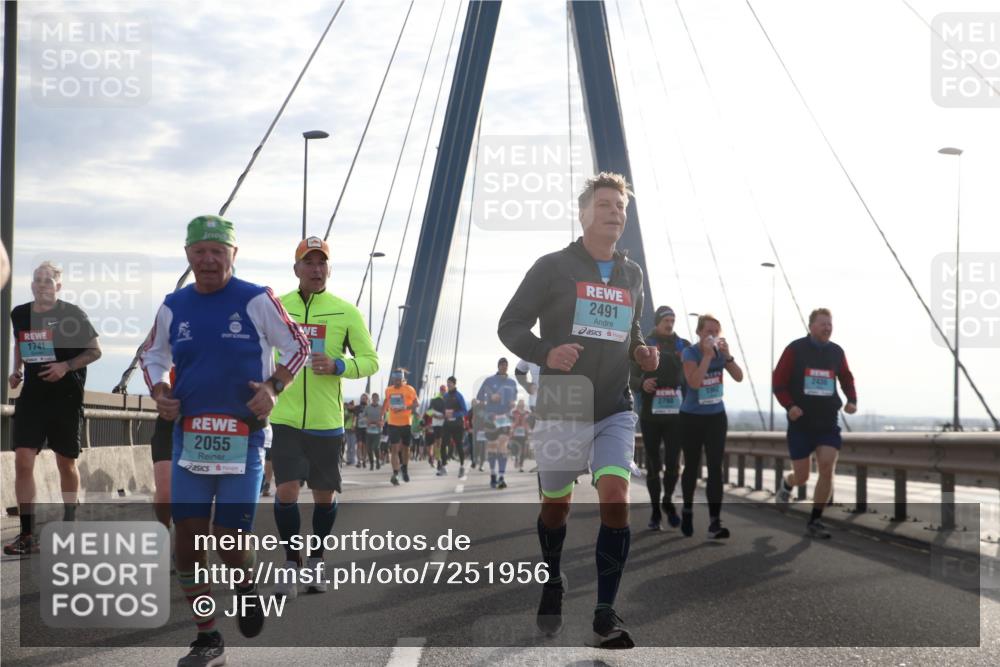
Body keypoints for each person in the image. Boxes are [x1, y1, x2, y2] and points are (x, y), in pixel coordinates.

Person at [140, 215, 309, 666]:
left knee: (229, 541)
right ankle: (207, 634)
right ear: (188, 256)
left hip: (244, 439)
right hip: (190, 438)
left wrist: (272, 387)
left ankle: (245, 586)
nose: (209, 259)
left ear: (234, 254)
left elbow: (298, 347)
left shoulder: (257, 299)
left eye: (218, 251)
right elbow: (151, 355)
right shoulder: (174, 305)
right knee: (188, 542)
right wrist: (160, 392)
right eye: (200, 251)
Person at [498, 172, 659, 649]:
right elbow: (510, 325)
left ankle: (605, 612)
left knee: (615, 498)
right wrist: (547, 352)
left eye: (621, 207)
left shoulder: (632, 275)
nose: (616, 212)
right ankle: (552, 578)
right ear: (585, 213)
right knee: (556, 506)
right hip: (563, 403)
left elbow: (631, 336)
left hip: (613, 405)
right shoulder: (552, 267)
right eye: (606, 204)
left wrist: (642, 353)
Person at [268, 236, 378, 599]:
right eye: (308, 263)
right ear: (296, 268)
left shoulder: (346, 311)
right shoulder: (277, 307)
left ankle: (316, 560)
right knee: (284, 492)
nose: (316, 269)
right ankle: (291, 562)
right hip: (284, 418)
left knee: (323, 497)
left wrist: (340, 364)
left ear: (329, 269)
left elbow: (371, 361)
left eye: (322, 263)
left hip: (326, 421)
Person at [5, 261, 102, 556]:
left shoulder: (71, 315)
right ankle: (27, 534)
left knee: (65, 464)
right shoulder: (20, 313)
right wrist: (16, 370)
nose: (42, 285)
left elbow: (95, 351)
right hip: (33, 398)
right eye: (37, 280)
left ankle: (70, 526)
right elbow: (20, 344)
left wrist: (65, 366)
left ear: (58, 286)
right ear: (32, 284)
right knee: (23, 461)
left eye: (48, 281)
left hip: (66, 399)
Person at [773, 308, 857, 539]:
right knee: (802, 476)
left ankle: (816, 519)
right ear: (811, 326)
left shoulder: (836, 352)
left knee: (827, 467)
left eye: (830, 324)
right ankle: (788, 483)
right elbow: (778, 382)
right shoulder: (795, 349)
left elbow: (847, 377)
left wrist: (852, 400)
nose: (827, 328)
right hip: (801, 422)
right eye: (823, 324)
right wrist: (790, 406)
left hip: (828, 421)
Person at [679, 314, 743, 540]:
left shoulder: (720, 353)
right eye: (708, 331)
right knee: (692, 466)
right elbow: (694, 383)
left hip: (716, 416)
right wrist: (707, 356)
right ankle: (687, 509)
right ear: (698, 333)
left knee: (715, 467)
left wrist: (727, 357)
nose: (712, 335)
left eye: (716, 331)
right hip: (691, 417)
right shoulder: (690, 352)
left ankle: (715, 522)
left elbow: (739, 377)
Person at [638, 305, 690, 531]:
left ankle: (667, 498)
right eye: (666, 320)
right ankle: (655, 513)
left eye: (673, 319)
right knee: (653, 465)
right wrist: (642, 383)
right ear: (657, 322)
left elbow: (693, 375)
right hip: (651, 413)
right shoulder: (643, 343)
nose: (670, 324)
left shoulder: (684, 346)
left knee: (672, 463)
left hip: (676, 415)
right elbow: (630, 370)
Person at [477, 358, 519, 489]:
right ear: (498, 366)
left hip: (505, 418)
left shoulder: (512, 383)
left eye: (506, 366)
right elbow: (479, 397)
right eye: (502, 365)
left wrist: (513, 403)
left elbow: (515, 398)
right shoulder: (489, 381)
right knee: (492, 447)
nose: (504, 368)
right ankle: (493, 475)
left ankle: (501, 477)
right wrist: (490, 397)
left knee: (503, 446)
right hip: (491, 418)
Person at [382, 370, 419, 485]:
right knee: (394, 449)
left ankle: (405, 468)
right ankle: (395, 473)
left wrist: (404, 407)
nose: (397, 382)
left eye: (399, 379)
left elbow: (416, 404)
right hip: (393, 423)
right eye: (395, 380)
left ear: (402, 379)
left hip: (406, 423)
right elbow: (386, 403)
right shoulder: (389, 390)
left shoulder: (409, 389)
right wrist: (381, 417)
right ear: (393, 379)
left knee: (406, 449)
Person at [437, 376, 469, 477]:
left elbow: (465, 411)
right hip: (447, 424)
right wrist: (443, 413)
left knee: (458, 445)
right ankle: (444, 467)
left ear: (454, 384)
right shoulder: (445, 396)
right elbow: (442, 408)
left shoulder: (459, 396)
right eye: (448, 383)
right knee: (443, 445)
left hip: (457, 425)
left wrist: (454, 414)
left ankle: (462, 467)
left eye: (450, 383)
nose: (448, 384)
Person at [363, 394, 384, 470]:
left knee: (375, 447)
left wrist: (381, 422)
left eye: (376, 398)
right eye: (373, 398)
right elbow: (363, 416)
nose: (375, 399)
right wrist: (367, 420)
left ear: (378, 399)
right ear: (371, 399)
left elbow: (384, 418)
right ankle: (372, 463)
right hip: (369, 431)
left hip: (378, 431)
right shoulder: (367, 407)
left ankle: (378, 460)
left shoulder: (381, 408)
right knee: (369, 448)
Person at [511, 399, 531, 473]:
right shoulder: (514, 412)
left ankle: (521, 466)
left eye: (523, 403)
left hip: (524, 433)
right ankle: (516, 458)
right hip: (515, 433)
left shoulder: (527, 413)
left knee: (523, 450)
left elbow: (529, 423)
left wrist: (528, 430)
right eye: (520, 403)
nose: (521, 404)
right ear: (518, 404)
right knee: (516, 448)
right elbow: (511, 421)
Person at [354, 393, 370, 468]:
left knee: (365, 445)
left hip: (367, 428)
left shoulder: (369, 407)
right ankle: (359, 461)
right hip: (359, 428)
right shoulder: (357, 407)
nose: (363, 399)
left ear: (367, 399)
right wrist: (353, 424)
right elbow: (355, 417)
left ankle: (364, 460)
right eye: (362, 398)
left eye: (365, 398)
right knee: (359, 444)